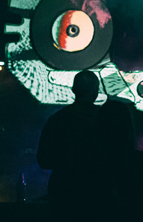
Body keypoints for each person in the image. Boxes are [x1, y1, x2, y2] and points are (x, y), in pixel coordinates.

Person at [36, 69, 100, 199]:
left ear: (73, 90)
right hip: (96, 190)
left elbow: (43, 160)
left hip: (63, 190)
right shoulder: (106, 120)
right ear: (96, 92)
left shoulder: (57, 119)